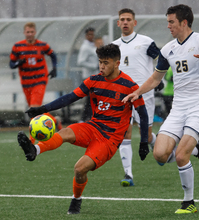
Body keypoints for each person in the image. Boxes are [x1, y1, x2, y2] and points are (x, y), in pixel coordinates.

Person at [17, 44, 149, 215]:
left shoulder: (129, 86)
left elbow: (143, 115)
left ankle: (76, 199)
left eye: (106, 63)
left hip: (109, 140)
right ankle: (34, 150)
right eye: (100, 62)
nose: (101, 66)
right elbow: (70, 97)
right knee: (64, 132)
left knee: (79, 169)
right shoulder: (94, 80)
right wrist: (43, 109)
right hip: (92, 127)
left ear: (117, 63)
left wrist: (144, 141)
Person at [122, 4, 199, 214]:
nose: (168, 25)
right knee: (159, 155)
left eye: (171, 22)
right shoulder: (168, 49)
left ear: (184, 22)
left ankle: (189, 202)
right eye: (167, 21)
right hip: (178, 108)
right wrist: (137, 92)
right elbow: (155, 78)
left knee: (180, 156)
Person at [112, 8, 163, 187]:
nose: (125, 22)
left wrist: (159, 80)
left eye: (128, 19)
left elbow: (162, 59)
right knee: (124, 132)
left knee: (146, 135)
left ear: (134, 23)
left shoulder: (146, 42)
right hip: (122, 96)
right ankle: (128, 174)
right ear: (118, 23)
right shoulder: (114, 46)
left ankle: (159, 150)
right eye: (122, 19)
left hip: (144, 94)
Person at [9, 22, 62, 143]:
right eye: (28, 32)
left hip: (40, 80)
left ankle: (31, 140)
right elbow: (11, 64)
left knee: (34, 107)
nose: (30, 34)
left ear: (35, 32)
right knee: (35, 109)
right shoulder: (17, 46)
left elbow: (53, 55)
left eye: (32, 32)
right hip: (26, 82)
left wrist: (54, 68)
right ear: (24, 33)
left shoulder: (42, 45)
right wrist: (18, 63)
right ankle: (54, 121)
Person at [77, 27, 99, 122]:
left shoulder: (92, 46)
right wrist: (94, 65)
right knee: (90, 99)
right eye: (90, 34)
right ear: (86, 36)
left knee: (91, 99)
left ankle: (87, 118)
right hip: (88, 77)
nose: (92, 36)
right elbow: (80, 62)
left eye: (93, 34)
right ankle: (84, 118)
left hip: (94, 76)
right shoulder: (85, 47)